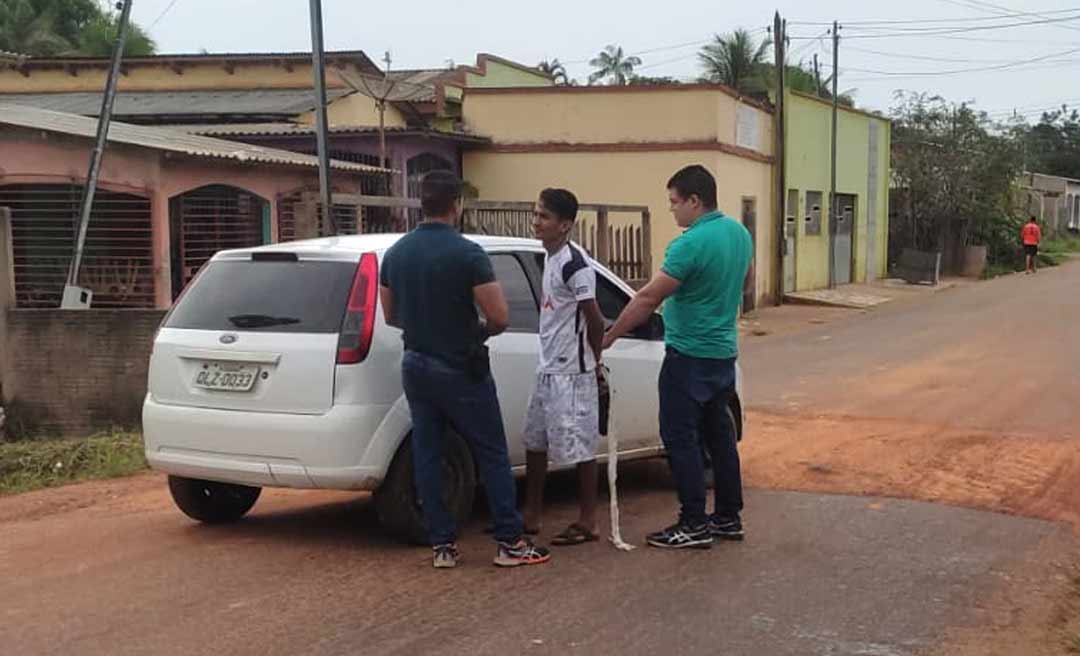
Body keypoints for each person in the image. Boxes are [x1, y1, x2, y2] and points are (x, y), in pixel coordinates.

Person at [378, 170, 552, 569]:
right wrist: (476, 330)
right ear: (457, 205)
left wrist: (425, 323)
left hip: (415, 363)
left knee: (428, 451)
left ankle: (442, 545)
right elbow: (500, 316)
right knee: (491, 451)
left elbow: (390, 315)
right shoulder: (468, 254)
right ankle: (509, 542)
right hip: (460, 364)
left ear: (422, 204)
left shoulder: (396, 254)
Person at [602, 164, 752, 550]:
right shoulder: (739, 234)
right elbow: (745, 282)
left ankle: (693, 522)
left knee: (681, 438)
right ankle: (728, 517)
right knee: (720, 438)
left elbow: (648, 297)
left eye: (674, 202)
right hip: (722, 353)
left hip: (688, 355)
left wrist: (611, 335)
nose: (671, 210)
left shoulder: (688, 245)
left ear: (694, 201)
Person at [521, 188, 606, 546]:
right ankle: (531, 515)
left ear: (565, 225)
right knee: (534, 440)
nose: (536, 222)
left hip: (572, 372)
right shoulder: (550, 258)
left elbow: (595, 320)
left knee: (580, 445)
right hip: (548, 368)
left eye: (544, 216)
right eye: (536, 214)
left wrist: (594, 362)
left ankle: (588, 521)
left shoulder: (575, 265)